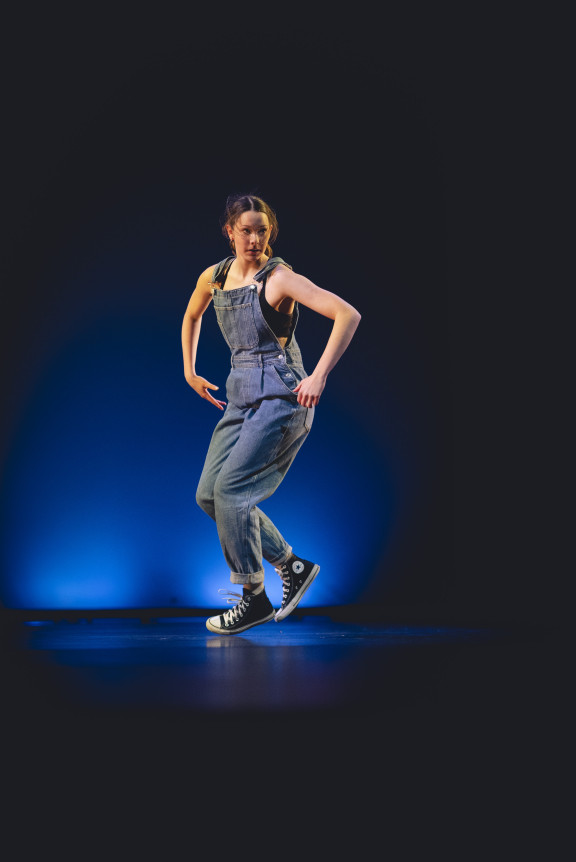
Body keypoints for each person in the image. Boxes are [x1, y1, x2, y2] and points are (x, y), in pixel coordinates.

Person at [181, 194, 361, 634]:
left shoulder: (278, 278)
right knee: (210, 496)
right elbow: (191, 316)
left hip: (282, 397)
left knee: (232, 494)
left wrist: (317, 376)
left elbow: (346, 314)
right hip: (241, 394)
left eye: (263, 231)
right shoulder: (215, 277)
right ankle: (292, 566)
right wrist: (189, 371)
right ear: (230, 232)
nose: (255, 239)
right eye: (246, 230)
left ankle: (253, 596)